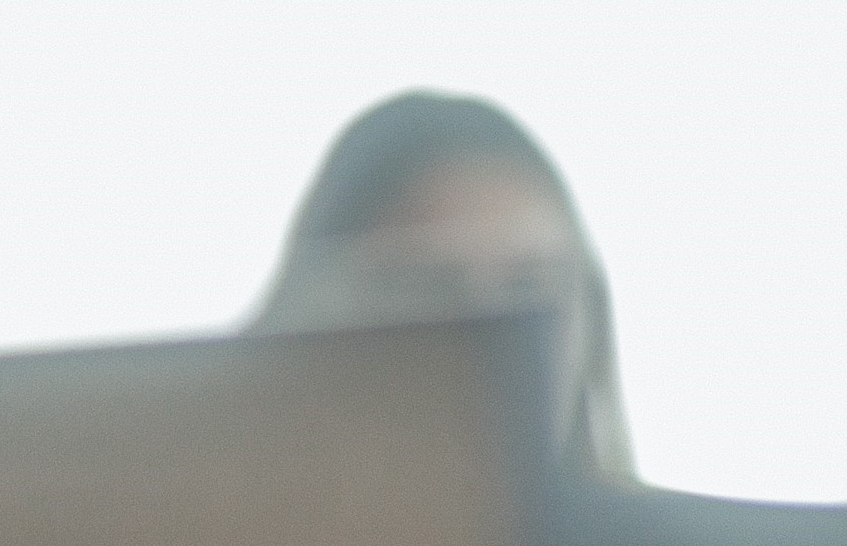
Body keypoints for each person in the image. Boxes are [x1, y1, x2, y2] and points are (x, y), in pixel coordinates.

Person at [254, 88, 633, 476]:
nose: (490, 341)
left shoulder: (680, 536)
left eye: (527, 287)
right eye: (429, 290)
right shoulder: (204, 529)